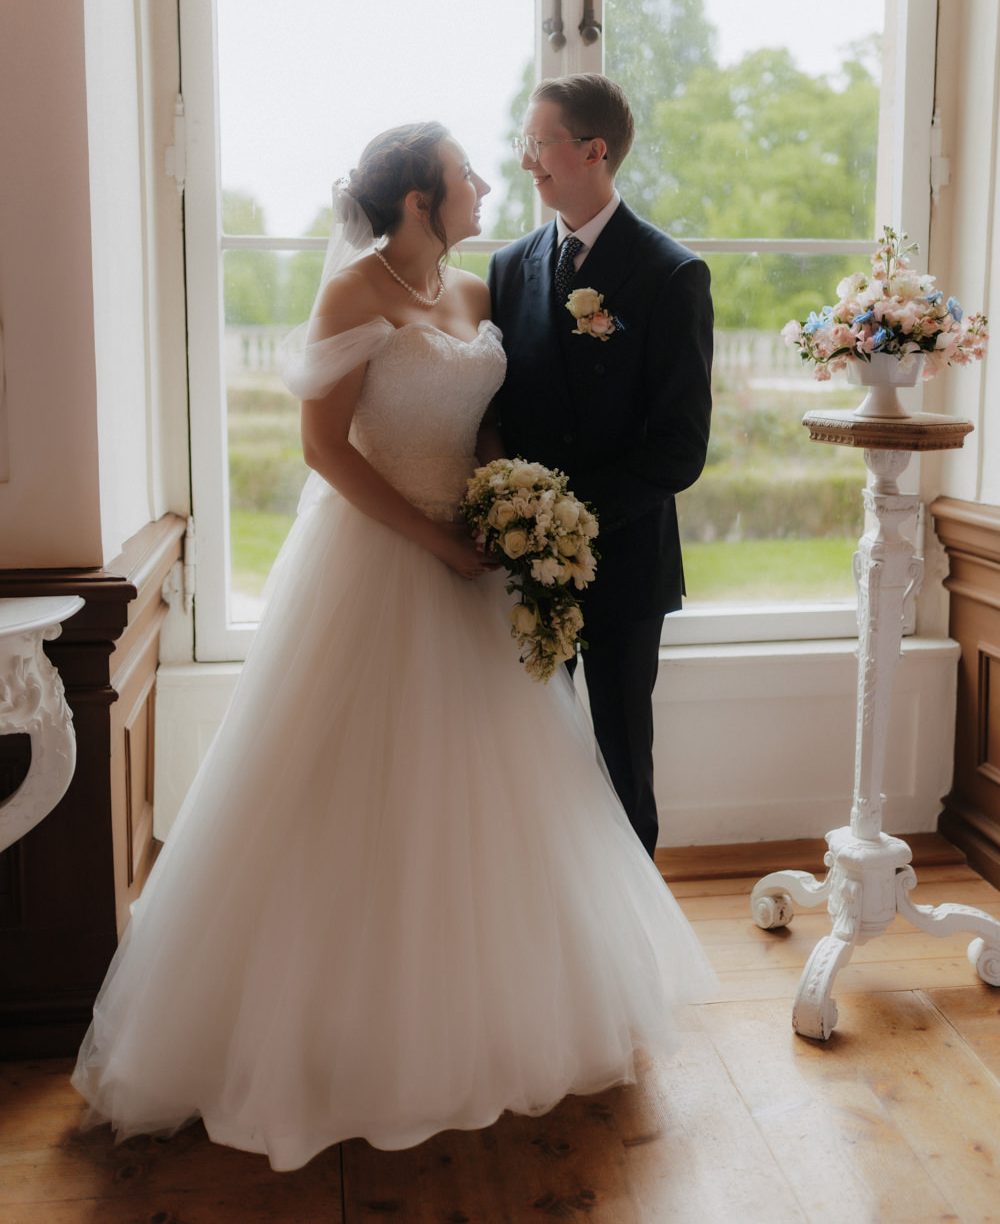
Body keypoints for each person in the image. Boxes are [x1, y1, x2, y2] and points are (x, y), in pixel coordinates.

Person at [72, 122, 716, 1171]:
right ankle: (328, 1031)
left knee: (496, 798)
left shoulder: (474, 293)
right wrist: (429, 537)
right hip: (378, 558)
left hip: (472, 561)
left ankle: (494, 1017)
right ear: (418, 198)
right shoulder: (354, 295)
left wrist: (513, 508)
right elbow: (323, 446)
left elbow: (490, 425)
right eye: (462, 172)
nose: (482, 182)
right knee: (349, 788)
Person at [488, 76, 714, 858]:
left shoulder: (669, 274)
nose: (526, 162)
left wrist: (569, 520)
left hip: (621, 568)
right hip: (520, 572)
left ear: (593, 151)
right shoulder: (509, 267)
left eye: (539, 143)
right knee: (529, 761)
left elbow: (680, 448)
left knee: (622, 763)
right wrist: (521, 526)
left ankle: (639, 953)